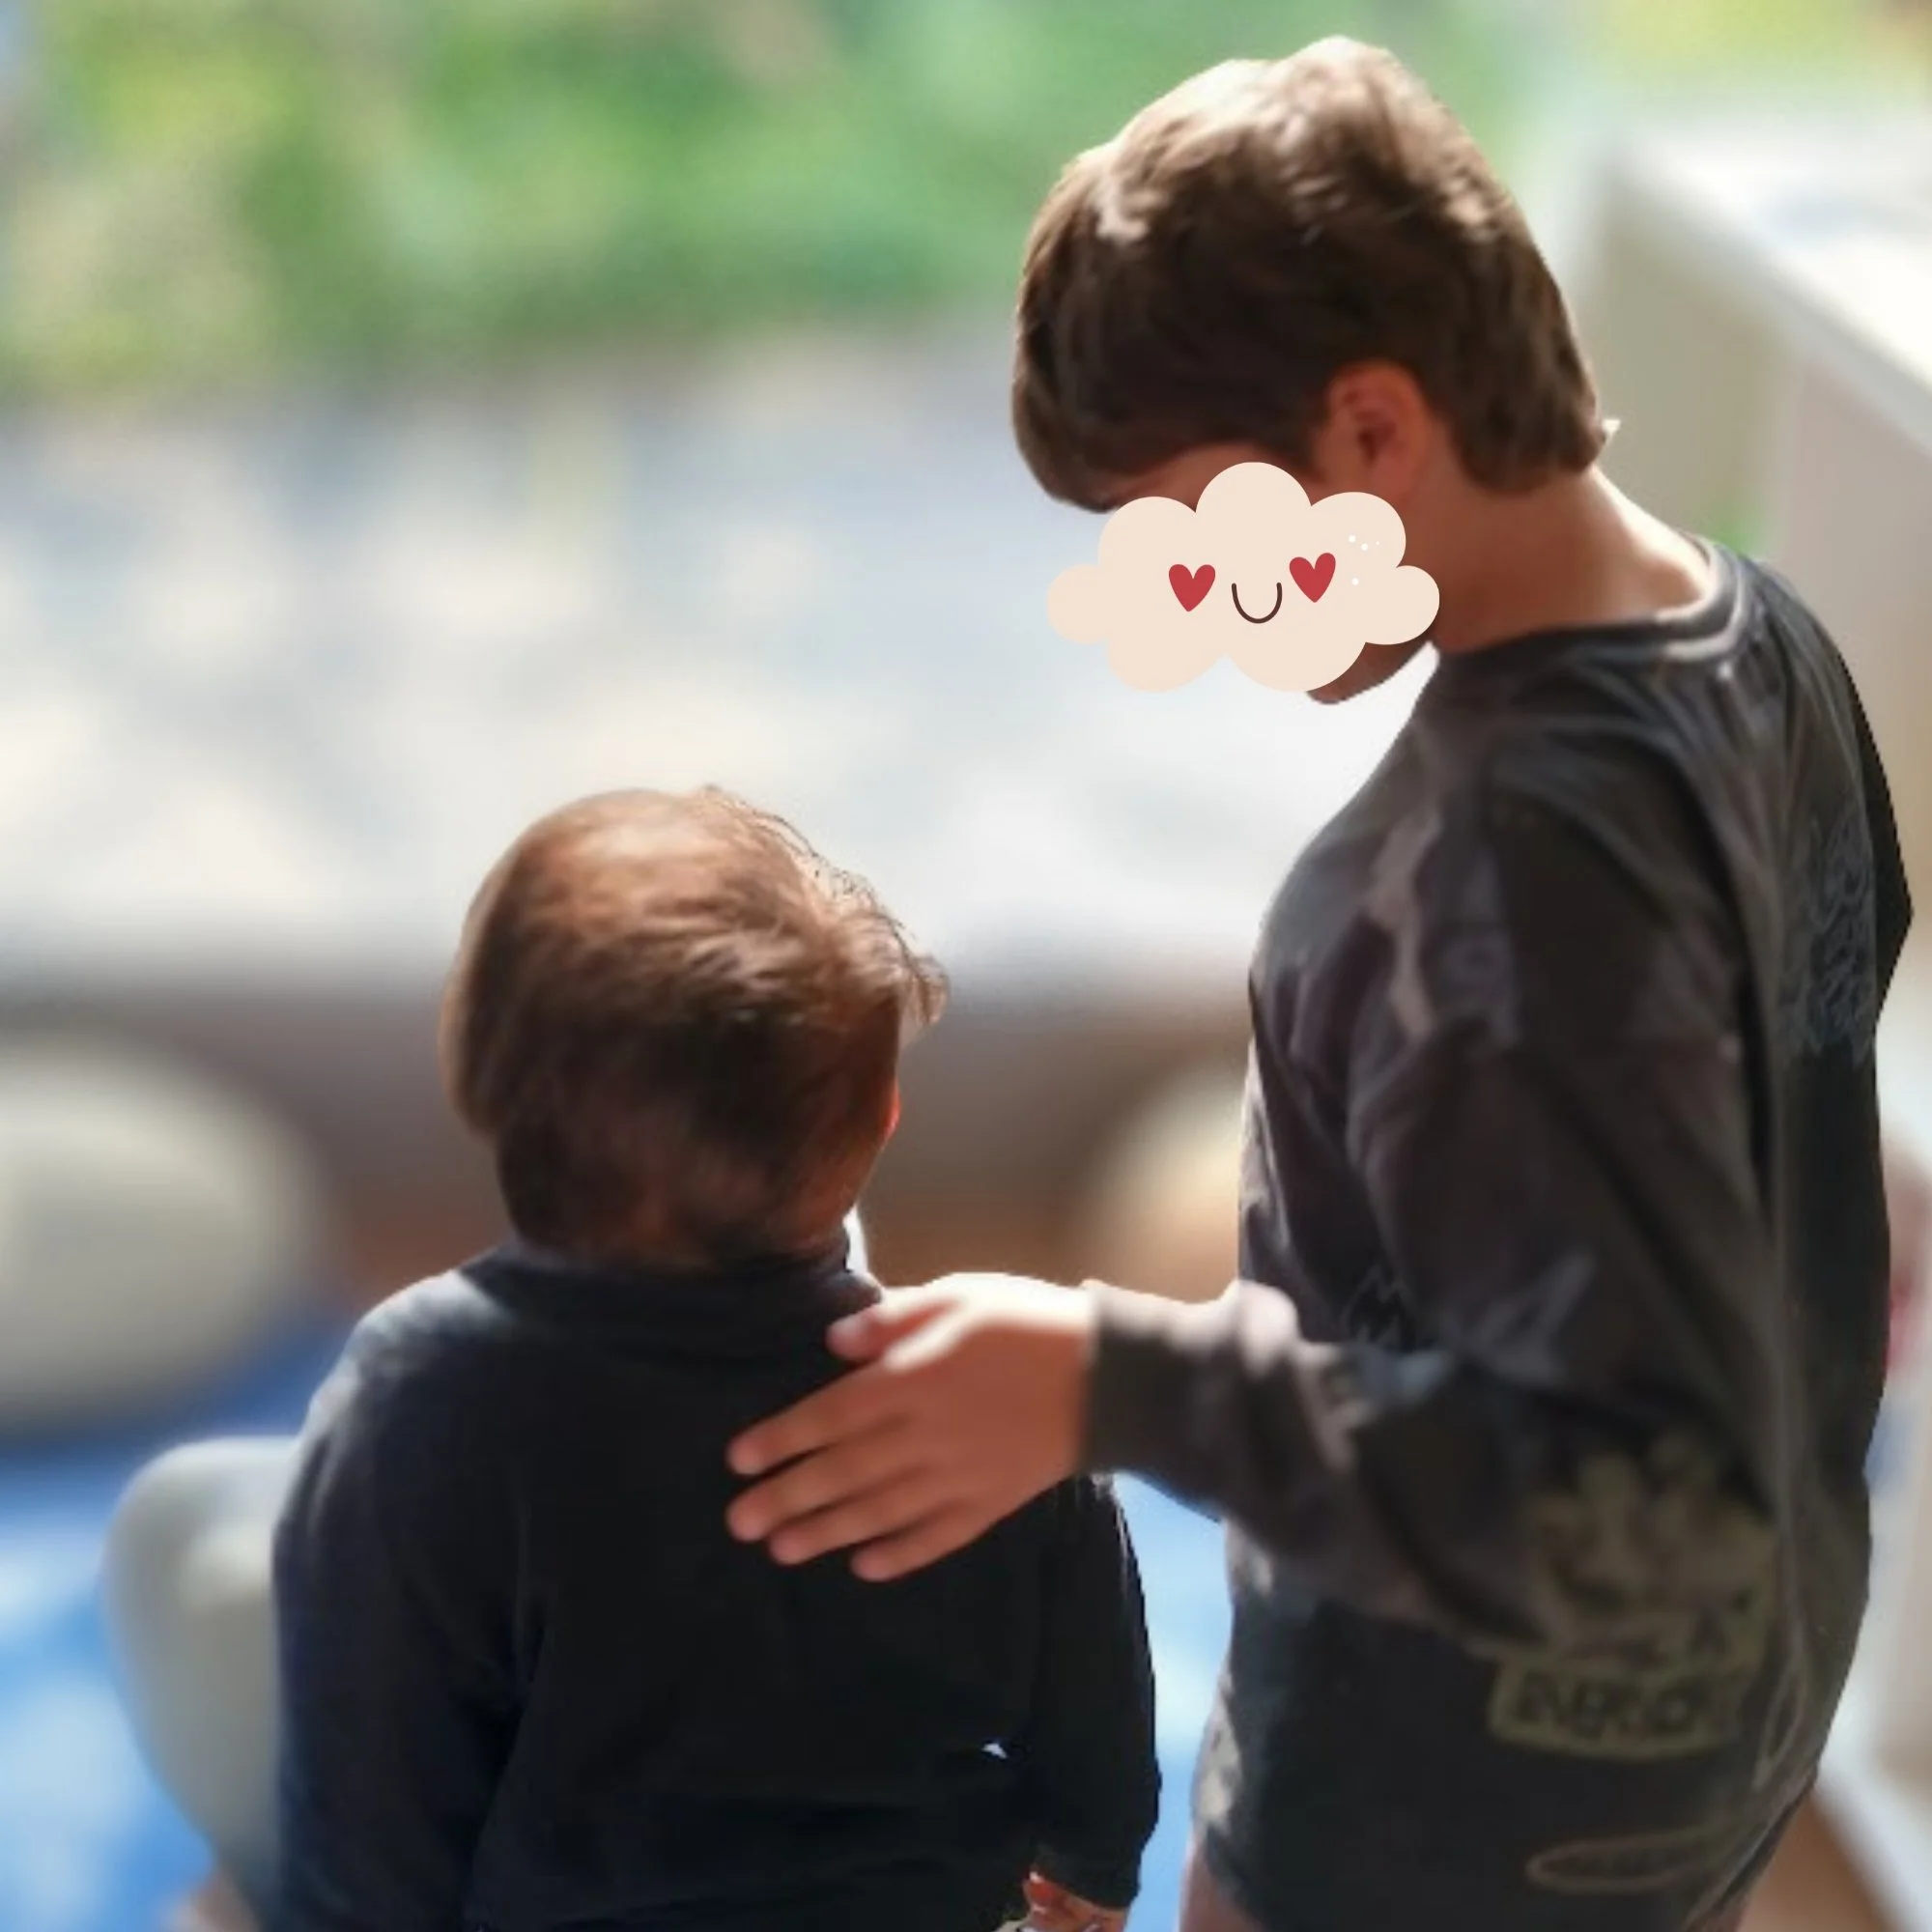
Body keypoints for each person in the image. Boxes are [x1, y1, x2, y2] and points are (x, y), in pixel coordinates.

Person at [722, 40, 1912, 1932]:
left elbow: (1631, 1494)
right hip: (1737, 1720)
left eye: (1201, 536)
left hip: (1453, 1792)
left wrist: (1107, 1380)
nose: (1184, 603)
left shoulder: (1493, 886)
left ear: (1369, 428)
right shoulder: (1766, 641)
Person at [114, 787, 1162, 1932]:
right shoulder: (972, 1393)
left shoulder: (427, 1395)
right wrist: (1096, 1872)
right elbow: (1097, 1713)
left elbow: (370, 1814)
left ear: (473, 1079)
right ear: (882, 1117)